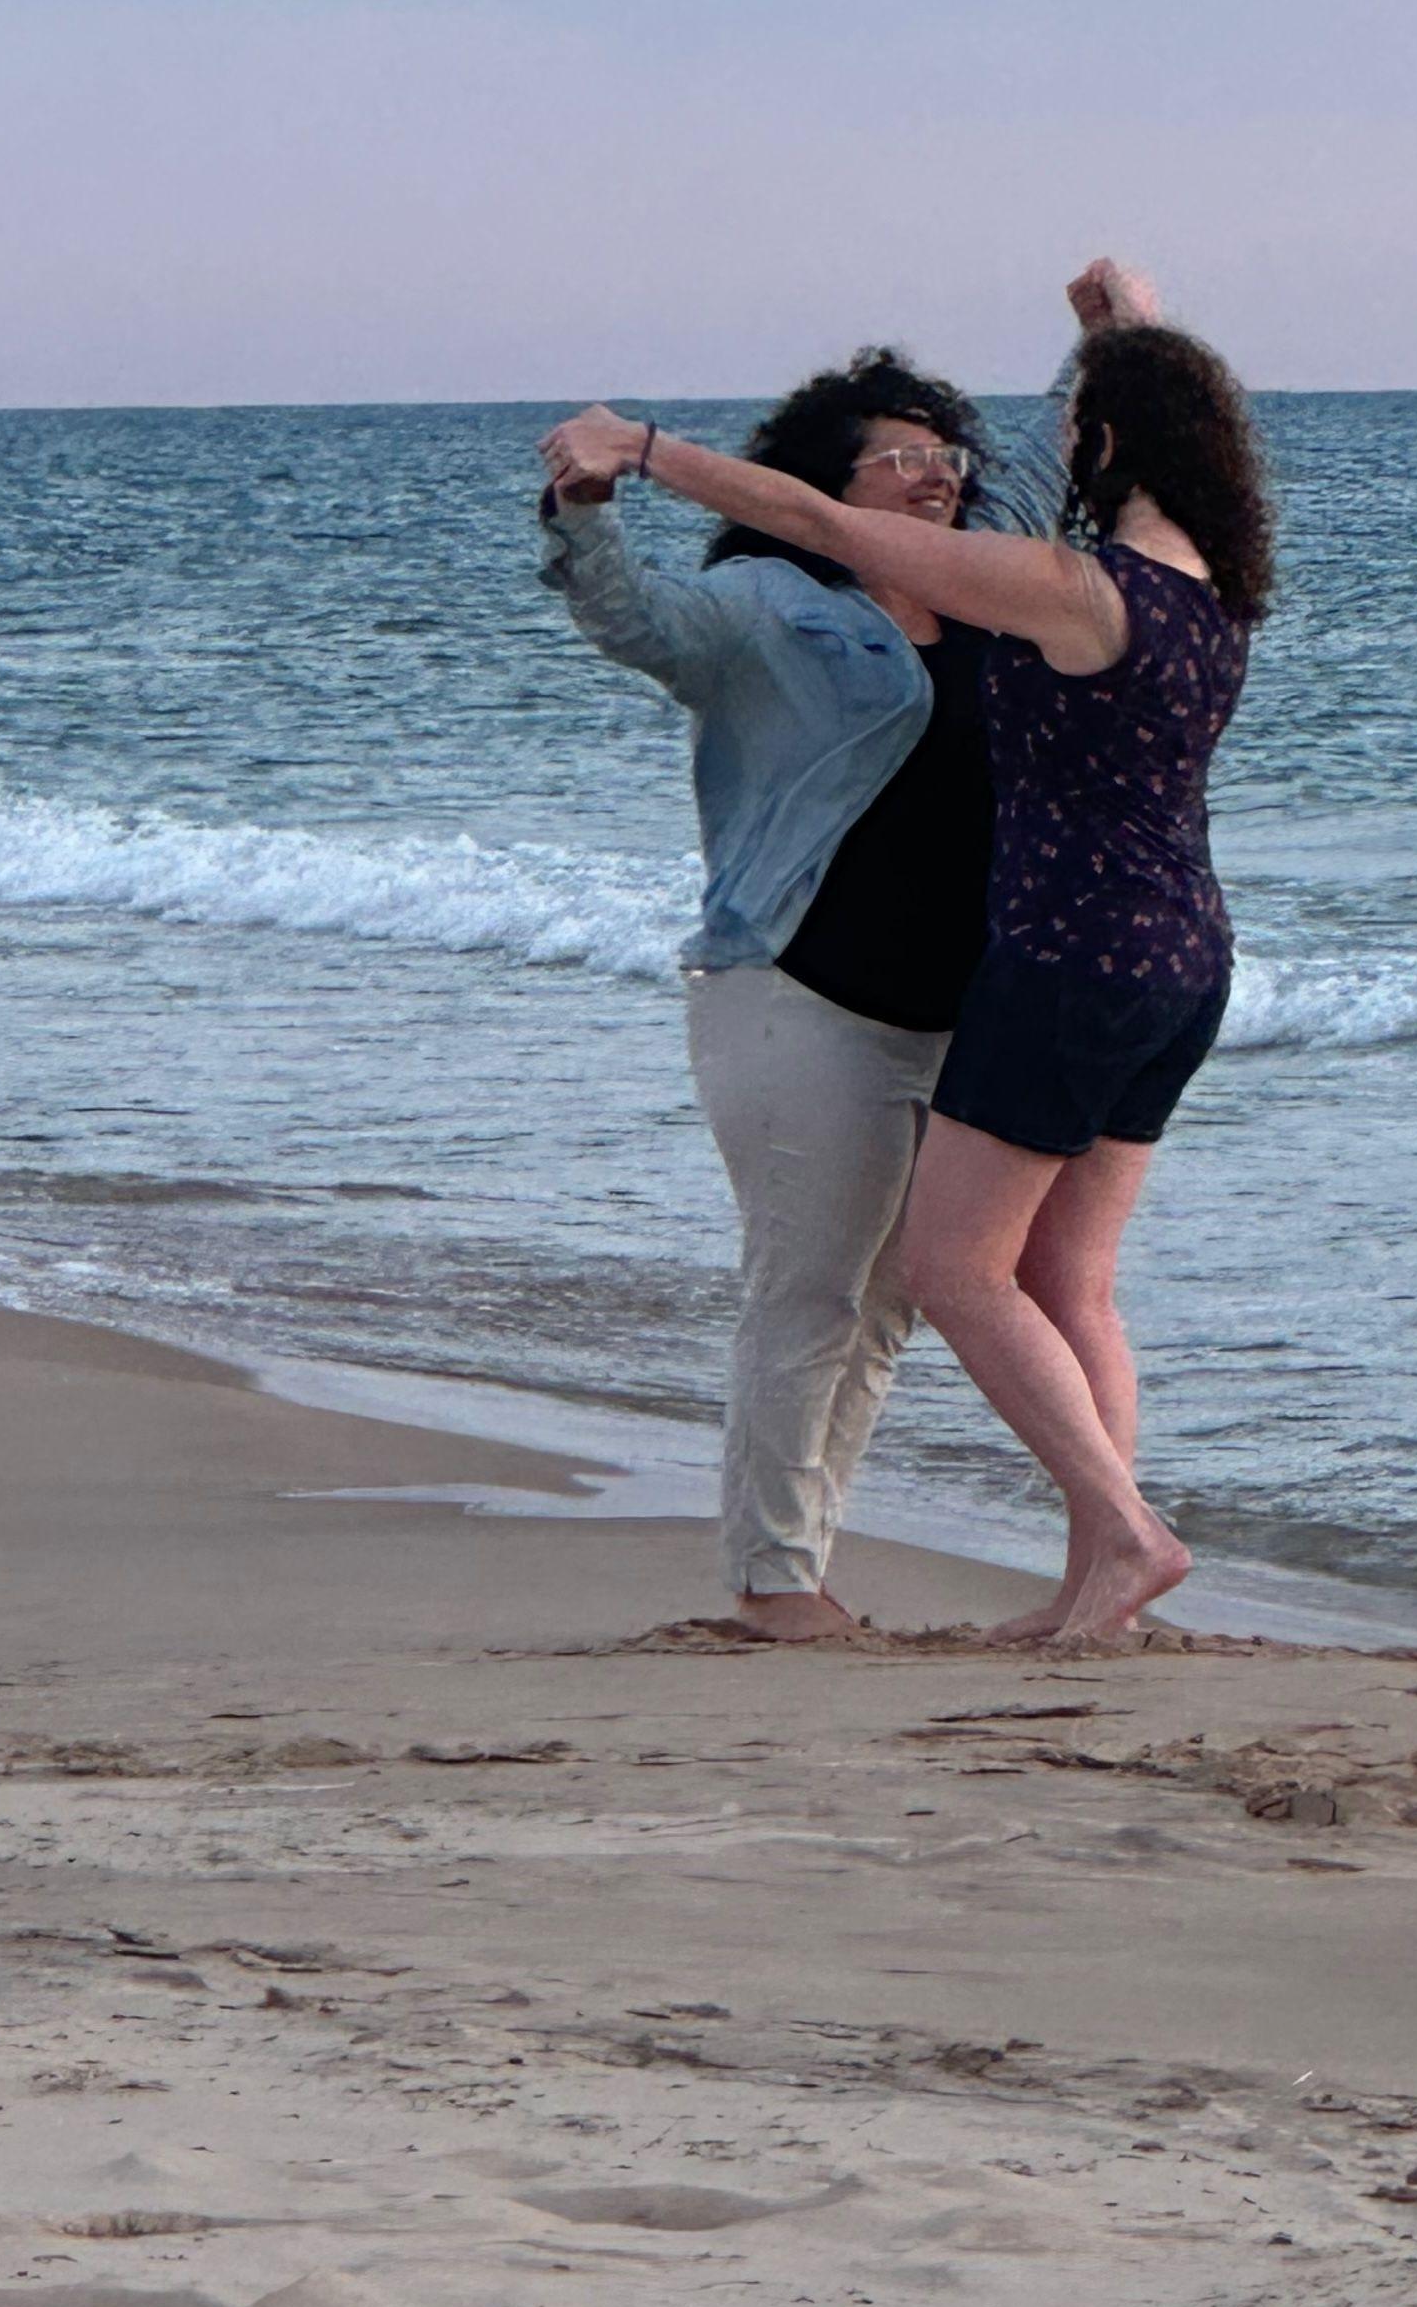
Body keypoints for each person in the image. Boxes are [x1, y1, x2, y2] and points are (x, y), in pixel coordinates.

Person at [543, 307, 1273, 1645]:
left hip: (1002, 991)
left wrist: (1118, 354)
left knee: (910, 1296)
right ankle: (782, 1582)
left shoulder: (1017, 589)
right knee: (829, 1285)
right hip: (816, 992)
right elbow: (645, 614)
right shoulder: (777, 608)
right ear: (836, 477)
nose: (937, 471)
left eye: (948, 453)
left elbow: (1084, 453)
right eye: (900, 456)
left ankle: (1097, 1554)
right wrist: (597, 500)